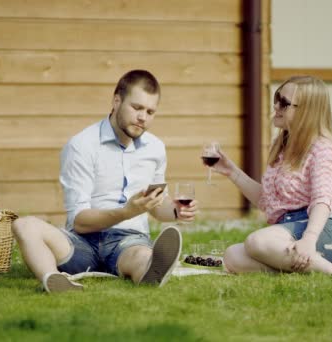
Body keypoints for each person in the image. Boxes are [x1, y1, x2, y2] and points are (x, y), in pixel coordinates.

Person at [12, 70, 198, 292]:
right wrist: (126, 212)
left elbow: (157, 208)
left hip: (128, 242)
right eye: (137, 108)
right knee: (23, 225)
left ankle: (150, 271)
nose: (143, 118)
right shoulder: (81, 146)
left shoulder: (155, 148)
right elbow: (79, 221)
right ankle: (53, 279)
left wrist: (175, 211)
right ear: (117, 101)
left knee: (142, 255)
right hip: (81, 243)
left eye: (150, 112)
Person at [207, 75, 332, 276]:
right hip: (291, 230)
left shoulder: (322, 148)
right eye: (277, 98)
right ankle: (306, 271)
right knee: (233, 255)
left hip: (323, 229)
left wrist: (309, 239)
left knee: (257, 241)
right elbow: (267, 201)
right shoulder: (282, 149)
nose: (276, 106)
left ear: (306, 111)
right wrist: (231, 171)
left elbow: (323, 199)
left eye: (284, 103)